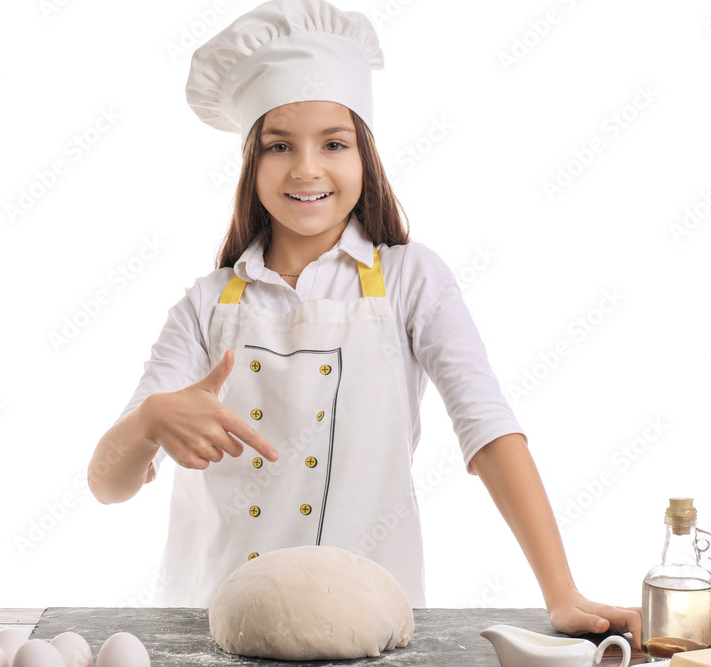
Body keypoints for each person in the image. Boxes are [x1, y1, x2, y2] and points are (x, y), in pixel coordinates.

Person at [88, 0, 641, 646]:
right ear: (251, 163)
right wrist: (153, 418)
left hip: (374, 635)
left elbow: (488, 428)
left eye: (334, 142)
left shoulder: (411, 281)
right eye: (278, 146)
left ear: (365, 153)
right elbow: (107, 483)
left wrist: (562, 593)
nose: (306, 168)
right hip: (215, 633)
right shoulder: (206, 304)